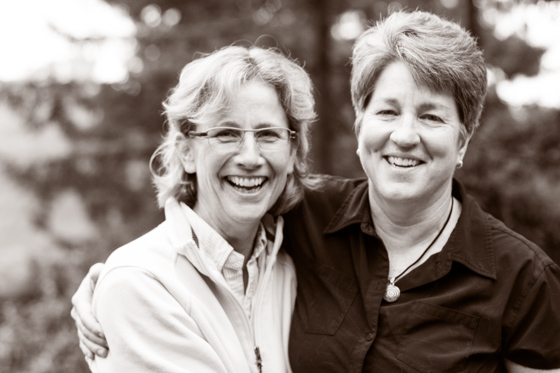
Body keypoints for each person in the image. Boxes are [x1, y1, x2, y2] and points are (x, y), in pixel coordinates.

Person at [72, 10, 560, 372]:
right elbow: (204, 226)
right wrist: (116, 279)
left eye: (431, 116)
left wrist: (115, 279)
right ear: (359, 124)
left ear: (462, 140)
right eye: (387, 111)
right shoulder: (306, 216)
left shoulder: (524, 279)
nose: (405, 134)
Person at [72, 44, 319, 372]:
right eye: (226, 133)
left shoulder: (296, 268)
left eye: (268, 135)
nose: (249, 157)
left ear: (292, 154)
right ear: (186, 152)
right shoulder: (140, 285)